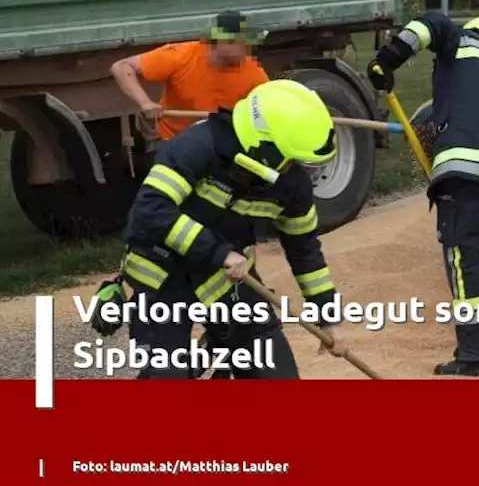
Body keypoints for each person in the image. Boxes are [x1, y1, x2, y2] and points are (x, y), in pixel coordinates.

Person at [118, 79, 348, 379]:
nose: (298, 169)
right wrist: (219, 252)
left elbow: (305, 249)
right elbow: (150, 212)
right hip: (163, 277)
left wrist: (327, 316)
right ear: (264, 148)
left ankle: (219, 345)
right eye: (293, 159)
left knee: (276, 374)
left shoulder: (293, 186)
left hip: (225, 281)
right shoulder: (198, 147)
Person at [366, 14, 479, 377]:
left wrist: (388, 59)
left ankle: (477, 355)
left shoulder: (460, 43)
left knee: (464, 257)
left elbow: (431, 23)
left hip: (464, 171)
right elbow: (477, 112)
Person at [111, 10, 269, 142]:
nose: (249, 48)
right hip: (173, 139)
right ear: (220, 42)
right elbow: (121, 67)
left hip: (218, 141)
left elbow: (267, 109)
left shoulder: (253, 72)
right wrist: (145, 103)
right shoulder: (181, 56)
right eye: (244, 43)